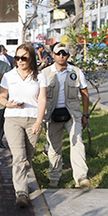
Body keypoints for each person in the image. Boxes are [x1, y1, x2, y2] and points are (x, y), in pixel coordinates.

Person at [0, 43, 47, 208]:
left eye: (24, 57)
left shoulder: (40, 76)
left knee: (28, 157)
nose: (20, 61)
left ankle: (23, 182)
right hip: (13, 119)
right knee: (19, 156)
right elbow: (1, 97)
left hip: (33, 119)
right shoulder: (9, 76)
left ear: (31, 58)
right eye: (17, 57)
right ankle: (21, 192)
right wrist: (8, 104)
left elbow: (42, 99)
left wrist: (39, 122)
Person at [42, 42, 91, 188]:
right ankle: (54, 178)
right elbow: (39, 95)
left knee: (77, 144)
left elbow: (84, 93)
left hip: (72, 114)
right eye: (58, 53)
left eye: (64, 53)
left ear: (68, 55)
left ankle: (81, 177)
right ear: (53, 55)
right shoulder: (45, 73)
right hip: (52, 115)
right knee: (54, 147)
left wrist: (85, 115)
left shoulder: (76, 71)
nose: (61, 56)